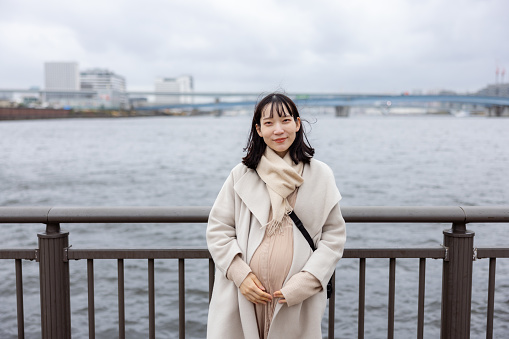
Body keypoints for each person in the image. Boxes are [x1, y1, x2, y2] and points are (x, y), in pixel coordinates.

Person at [206, 92, 346, 339]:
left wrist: (308, 281)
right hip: (245, 295)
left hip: (295, 297)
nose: (278, 130)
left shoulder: (321, 175)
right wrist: (241, 275)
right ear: (258, 130)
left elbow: (333, 236)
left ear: (297, 124)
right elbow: (218, 230)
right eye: (269, 123)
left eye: (285, 120)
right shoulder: (242, 175)